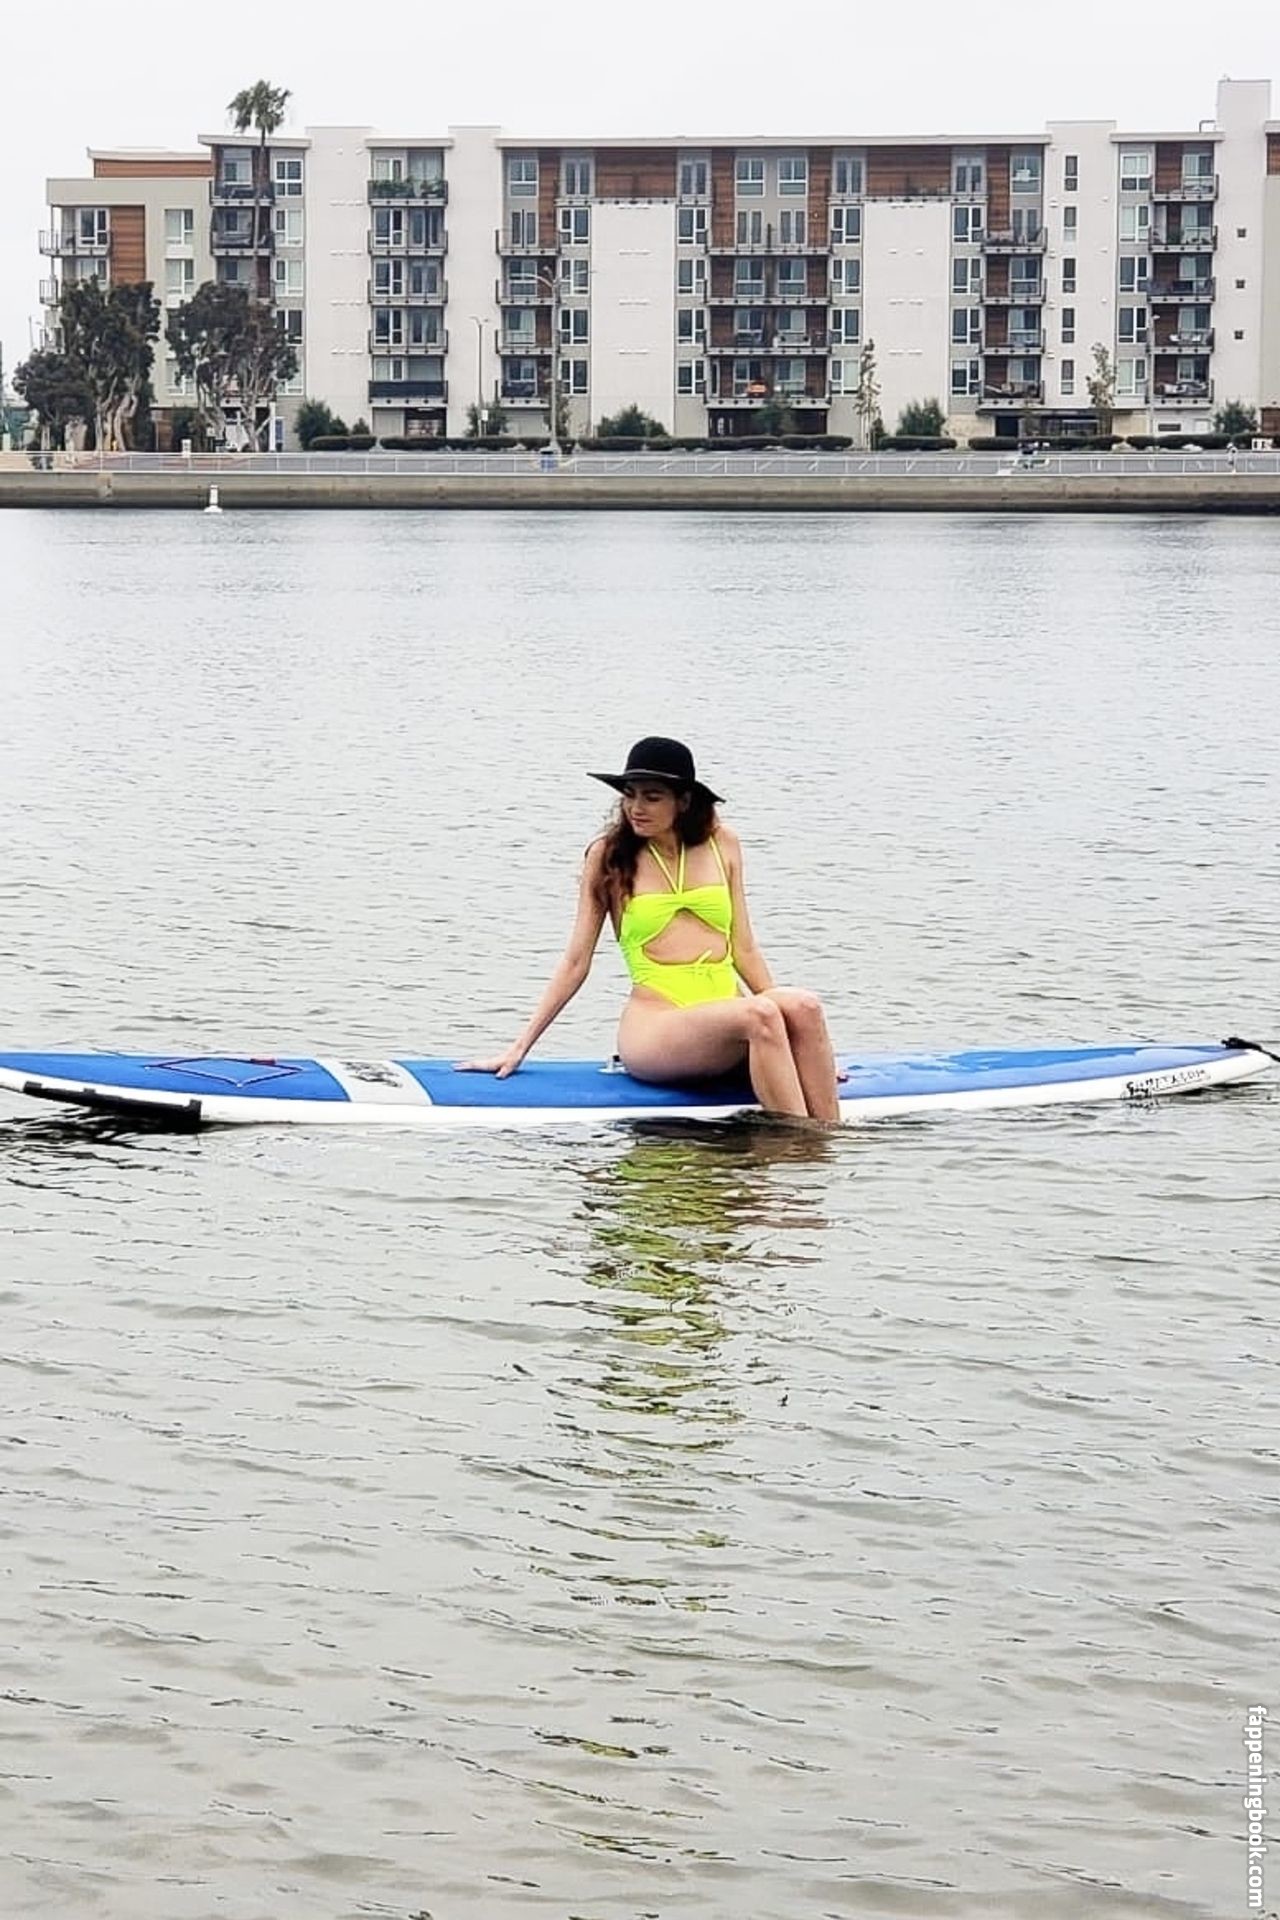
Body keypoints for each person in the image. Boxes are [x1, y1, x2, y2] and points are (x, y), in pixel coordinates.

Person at [461, 737, 841, 1121]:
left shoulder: (723, 843)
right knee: (760, 1014)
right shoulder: (608, 856)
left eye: (652, 797)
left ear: (684, 801)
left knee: (804, 1007)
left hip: (729, 1019)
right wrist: (519, 1047)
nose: (636, 808)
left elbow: (744, 949)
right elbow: (576, 962)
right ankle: (801, 1146)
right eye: (630, 795)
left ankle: (828, 1135)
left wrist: (800, 1043)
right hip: (656, 1027)